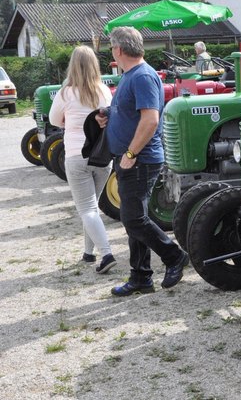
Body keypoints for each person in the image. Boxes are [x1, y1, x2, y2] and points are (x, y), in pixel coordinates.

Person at [98, 26, 188, 296]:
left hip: (139, 159)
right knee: (135, 218)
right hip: (131, 158)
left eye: (112, 47)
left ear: (119, 49)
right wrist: (107, 114)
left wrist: (130, 154)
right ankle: (140, 276)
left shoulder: (142, 76)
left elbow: (150, 119)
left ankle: (174, 256)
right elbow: (133, 114)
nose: (111, 51)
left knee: (134, 219)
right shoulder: (132, 75)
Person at [49, 46, 117, 274]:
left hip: (77, 155)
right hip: (101, 157)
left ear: (72, 66)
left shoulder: (66, 92)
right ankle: (89, 253)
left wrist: (70, 121)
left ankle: (106, 253)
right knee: (92, 207)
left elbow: (54, 119)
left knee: (87, 208)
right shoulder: (104, 90)